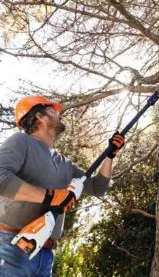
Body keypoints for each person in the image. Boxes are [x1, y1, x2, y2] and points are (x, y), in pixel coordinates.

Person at [0, 96, 125, 276]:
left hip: (45, 255)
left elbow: (98, 188)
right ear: (39, 117)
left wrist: (110, 155)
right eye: (53, 111)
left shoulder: (63, 163)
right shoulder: (21, 142)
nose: (59, 114)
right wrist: (50, 196)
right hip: (11, 247)